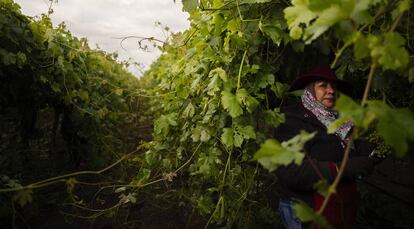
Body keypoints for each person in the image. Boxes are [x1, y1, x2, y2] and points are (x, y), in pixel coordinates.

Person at [274, 65, 375, 229]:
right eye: (323, 86)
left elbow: (345, 148)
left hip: (336, 207)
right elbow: (290, 170)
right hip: (306, 209)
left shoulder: (340, 121)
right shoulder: (291, 119)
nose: (331, 91)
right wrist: (340, 168)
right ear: (309, 90)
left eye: (333, 87)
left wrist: (370, 151)